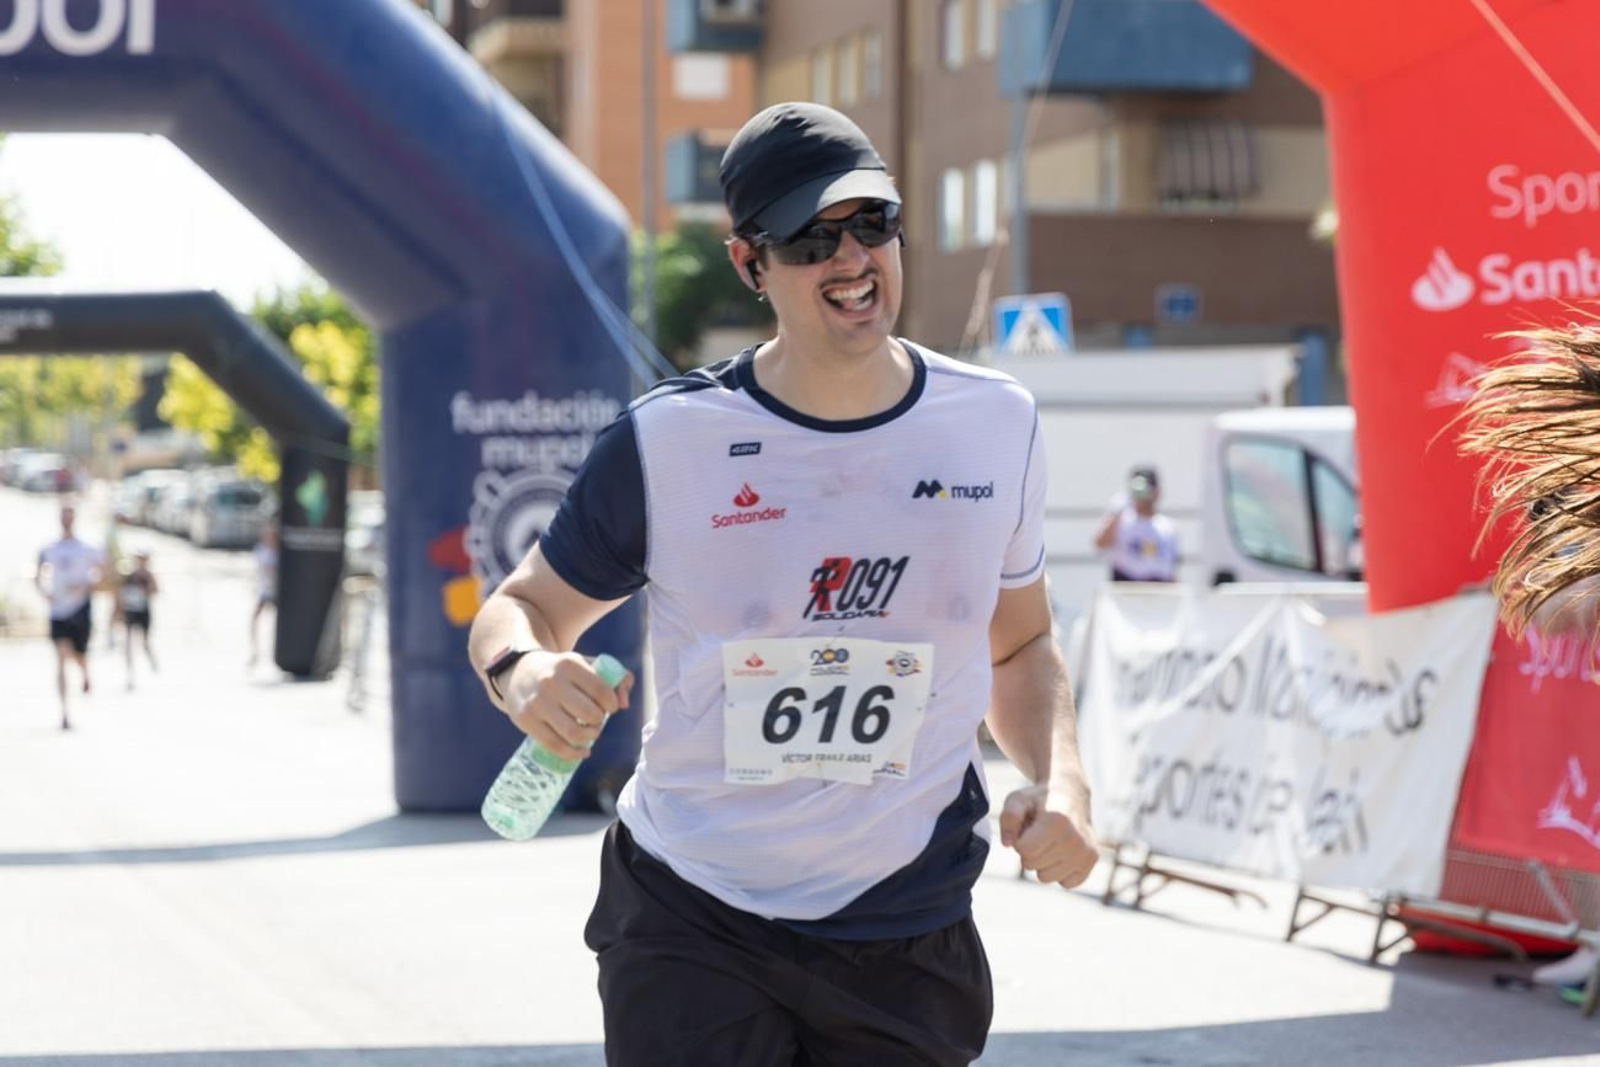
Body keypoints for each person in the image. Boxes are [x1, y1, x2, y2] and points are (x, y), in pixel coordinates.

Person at [469, 102, 1098, 1066]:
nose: (850, 259)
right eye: (809, 238)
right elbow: (524, 606)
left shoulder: (995, 422)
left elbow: (1019, 646)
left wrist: (1063, 786)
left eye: (871, 223)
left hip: (906, 921)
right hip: (694, 913)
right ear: (750, 264)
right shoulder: (669, 441)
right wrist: (524, 673)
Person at [35, 503, 107, 730]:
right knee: (60, 656)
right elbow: (38, 575)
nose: (66, 521)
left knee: (78, 654)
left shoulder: (86, 547)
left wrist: (85, 587)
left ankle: (85, 671)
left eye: (69, 517)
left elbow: (105, 572)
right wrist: (45, 594)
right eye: (63, 517)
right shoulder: (49, 548)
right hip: (58, 611)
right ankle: (64, 711)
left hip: (80, 609)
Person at [1092, 464, 1179, 582]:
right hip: (1125, 588)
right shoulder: (1122, 521)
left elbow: (1171, 568)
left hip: (1157, 590)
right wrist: (1116, 511)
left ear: (1156, 492)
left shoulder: (1167, 527)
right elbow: (1099, 544)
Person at [118, 548, 159, 689]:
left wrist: (145, 590)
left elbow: (155, 591)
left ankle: (152, 661)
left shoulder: (148, 576)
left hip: (143, 612)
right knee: (128, 644)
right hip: (131, 612)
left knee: (145, 643)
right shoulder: (129, 576)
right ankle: (130, 675)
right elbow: (121, 594)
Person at [249, 524, 278, 667]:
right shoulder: (260, 550)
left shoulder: (278, 552)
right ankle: (255, 651)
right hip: (263, 591)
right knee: (254, 620)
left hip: (275, 592)